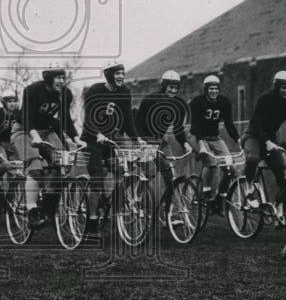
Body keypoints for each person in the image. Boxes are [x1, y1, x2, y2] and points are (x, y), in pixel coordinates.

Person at [12, 64, 79, 229]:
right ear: (48, 78)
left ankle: (48, 206)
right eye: (58, 77)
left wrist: (76, 138)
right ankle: (32, 213)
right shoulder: (32, 90)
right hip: (25, 130)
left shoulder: (65, 94)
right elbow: (26, 117)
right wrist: (34, 136)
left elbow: (65, 119)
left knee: (63, 163)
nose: (61, 81)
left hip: (46, 131)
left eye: (63, 77)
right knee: (35, 168)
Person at [81, 62, 138, 239]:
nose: (121, 76)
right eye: (117, 73)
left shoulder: (124, 92)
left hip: (112, 139)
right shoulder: (95, 90)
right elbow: (89, 117)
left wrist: (137, 139)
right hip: (93, 139)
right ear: (108, 74)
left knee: (125, 170)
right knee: (97, 178)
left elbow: (128, 119)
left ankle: (114, 206)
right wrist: (98, 134)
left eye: (123, 72)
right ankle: (91, 221)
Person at [240, 70, 286, 212]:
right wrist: (267, 142)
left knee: (284, 177)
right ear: (276, 86)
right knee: (252, 159)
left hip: (270, 138)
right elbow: (255, 124)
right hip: (253, 135)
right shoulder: (265, 98)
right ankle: (249, 190)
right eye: (283, 87)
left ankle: (278, 208)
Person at [135, 70, 192, 221]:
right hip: (145, 140)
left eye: (176, 88)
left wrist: (184, 142)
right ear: (163, 86)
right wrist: (142, 140)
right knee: (151, 172)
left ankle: (169, 213)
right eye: (170, 87)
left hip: (161, 141)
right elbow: (138, 123)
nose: (173, 91)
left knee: (170, 176)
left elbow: (178, 128)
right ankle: (138, 196)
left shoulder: (178, 104)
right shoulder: (150, 99)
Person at [188, 74, 240, 214]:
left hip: (215, 138)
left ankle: (220, 197)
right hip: (196, 136)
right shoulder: (197, 102)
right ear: (206, 89)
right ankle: (205, 192)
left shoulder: (224, 102)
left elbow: (229, 124)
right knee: (210, 162)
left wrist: (238, 139)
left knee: (231, 169)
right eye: (211, 89)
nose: (214, 92)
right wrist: (202, 145)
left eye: (216, 89)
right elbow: (196, 125)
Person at [0, 91, 22, 195]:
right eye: (9, 101)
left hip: (12, 144)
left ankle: (11, 202)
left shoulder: (19, 114)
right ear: (4, 103)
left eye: (14, 101)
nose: (12, 104)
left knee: (16, 170)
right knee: (4, 164)